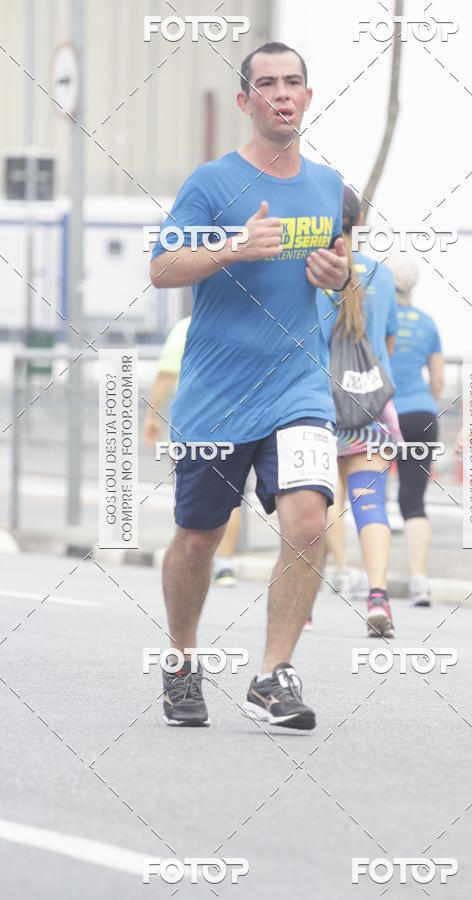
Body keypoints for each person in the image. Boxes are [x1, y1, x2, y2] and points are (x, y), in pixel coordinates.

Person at [149, 42, 350, 729]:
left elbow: (341, 266)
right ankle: (180, 661)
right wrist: (231, 247)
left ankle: (272, 675)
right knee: (199, 539)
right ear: (247, 101)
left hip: (298, 388)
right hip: (217, 395)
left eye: (293, 82)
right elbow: (163, 268)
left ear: (308, 95)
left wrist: (338, 276)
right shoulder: (212, 182)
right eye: (267, 85)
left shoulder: (329, 186)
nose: (282, 94)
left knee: (307, 520)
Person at [316, 186, 401, 638]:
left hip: (320, 403)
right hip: (372, 404)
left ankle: (308, 600)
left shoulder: (309, 271)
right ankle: (378, 595)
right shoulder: (382, 275)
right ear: (359, 218)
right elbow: (387, 343)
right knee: (370, 502)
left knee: (318, 499)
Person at [142, 316, 241, 587]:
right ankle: (224, 563)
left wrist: (151, 415)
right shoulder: (234, 322)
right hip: (233, 422)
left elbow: (165, 375)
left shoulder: (185, 327)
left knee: (187, 494)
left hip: (193, 424)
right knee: (230, 495)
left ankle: (193, 557)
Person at [387, 255, 444, 606]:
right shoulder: (427, 323)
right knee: (413, 499)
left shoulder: (380, 319)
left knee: (368, 493)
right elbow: (437, 379)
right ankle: (420, 581)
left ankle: (361, 577)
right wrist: (426, 401)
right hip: (421, 414)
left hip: (380, 414)